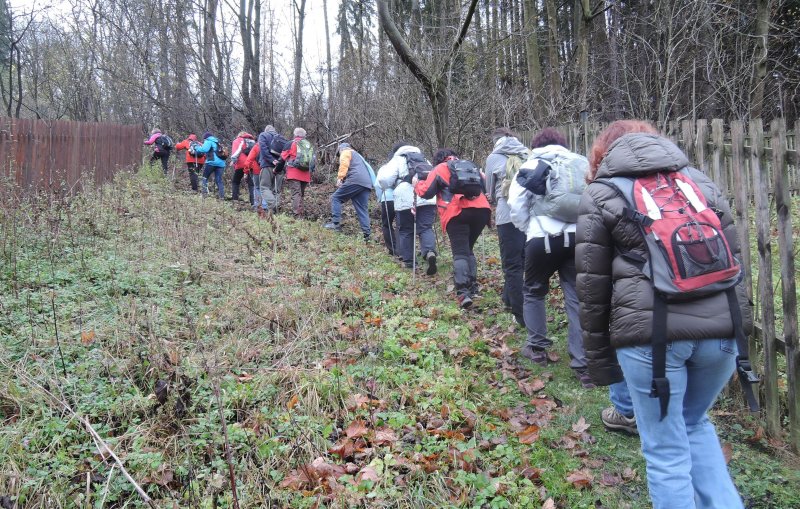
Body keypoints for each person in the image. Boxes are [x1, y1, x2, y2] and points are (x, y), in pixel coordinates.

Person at [576, 120, 752, 508]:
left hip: (651, 338)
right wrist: (742, 331)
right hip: (720, 332)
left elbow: (591, 289)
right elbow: (736, 260)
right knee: (694, 423)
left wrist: (601, 363)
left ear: (602, 154)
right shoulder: (699, 183)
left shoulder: (602, 193)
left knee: (665, 449)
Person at [507, 128, 593, 388]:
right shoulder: (581, 163)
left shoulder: (533, 163)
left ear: (537, 145)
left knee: (534, 291)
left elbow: (516, 203)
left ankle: (537, 348)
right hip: (578, 237)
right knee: (577, 298)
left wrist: (529, 228)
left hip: (542, 236)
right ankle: (582, 364)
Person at [415, 149, 490, 308]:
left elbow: (426, 192)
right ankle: (473, 286)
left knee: (460, 252)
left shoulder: (440, 168)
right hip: (482, 210)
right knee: (468, 249)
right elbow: (485, 185)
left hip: (457, 212)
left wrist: (416, 184)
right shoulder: (470, 166)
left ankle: (463, 293)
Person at [485, 128, 530, 326]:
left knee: (511, 266)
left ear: (495, 142)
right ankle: (509, 299)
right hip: (529, 215)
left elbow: (490, 191)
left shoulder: (493, 158)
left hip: (507, 215)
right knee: (522, 261)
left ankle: (520, 314)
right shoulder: (527, 153)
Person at [377, 142, 437, 271]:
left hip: (405, 198)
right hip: (427, 197)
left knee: (405, 230)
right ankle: (429, 251)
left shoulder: (397, 159)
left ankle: (410, 262)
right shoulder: (424, 159)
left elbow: (384, 180)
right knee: (426, 227)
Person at [324, 143, 373, 241]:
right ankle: (367, 234)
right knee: (362, 209)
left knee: (336, 198)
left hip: (355, 180)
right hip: (366, 183)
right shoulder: (358, 156)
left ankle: (335, 224)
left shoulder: (346, 151)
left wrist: (340, 178)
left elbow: (344, 164)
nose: (339, 155)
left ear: (340, 149)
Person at [247, 125, 283, 216]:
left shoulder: (263, 135)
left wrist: (271, 160)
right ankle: (275, 210)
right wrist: (280, 162)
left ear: (266, 130)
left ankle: (273, 205)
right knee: (276, 190)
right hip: (280, 167)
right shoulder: (280, 137)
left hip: (267, 166)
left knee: (264, 188)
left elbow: (263, 149)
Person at [280, 127, 314, 217]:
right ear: (304, 136)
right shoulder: (308, 144)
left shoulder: (291, 143)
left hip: (293, 173)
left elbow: (282, 159)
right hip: (306, 173)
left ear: (295, 134)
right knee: (301, 194)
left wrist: (276, 170)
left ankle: (297, 214)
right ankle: (301, 212)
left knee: (296, 193)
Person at [196, 131, 226, 199]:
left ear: (205, 138)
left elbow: (204, 149)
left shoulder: (208, 141)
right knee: (219, 180)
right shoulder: (217, 142)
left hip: (211, 162)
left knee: (204, 177)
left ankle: (204, 194)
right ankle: (222, 197)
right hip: (221, 164)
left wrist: (196, 148)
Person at [230, 131, 257, 202]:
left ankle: (235, 199)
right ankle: (253, 202)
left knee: (235, 181)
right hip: (251, 164)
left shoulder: (237, 140)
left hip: (240, 163)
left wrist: (233, 160)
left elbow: (236, 152)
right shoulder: (253, 141)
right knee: (251, 184)